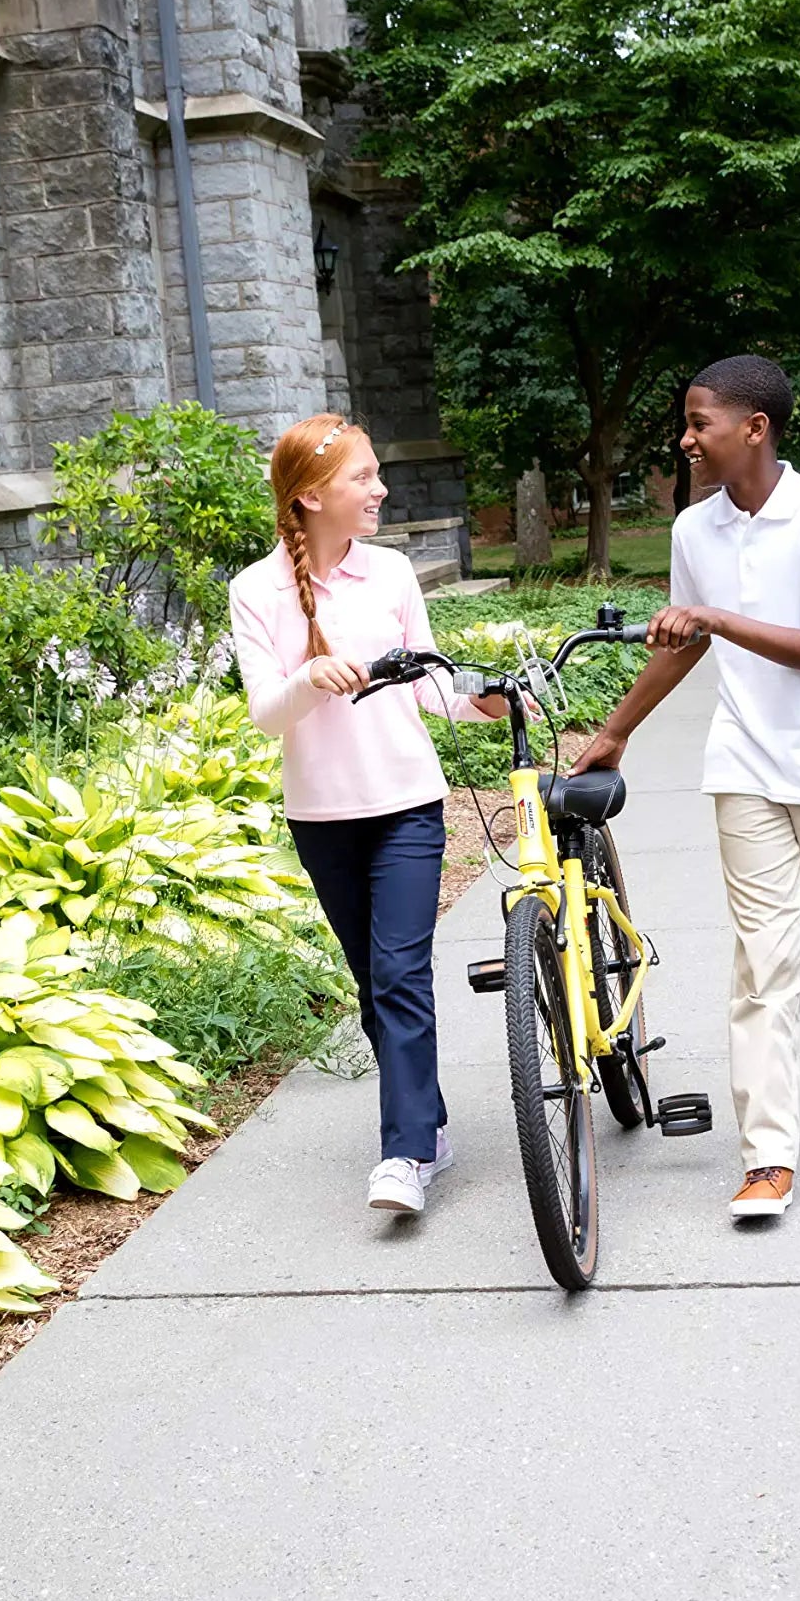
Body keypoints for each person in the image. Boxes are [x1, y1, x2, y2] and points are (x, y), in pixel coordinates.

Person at [575, 356, 800, 1221]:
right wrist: (615, 730)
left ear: (752, 428)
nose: (685, 439)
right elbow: (684, 643)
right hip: (745, 767)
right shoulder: (694, 531)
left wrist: (712, 616)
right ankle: (764, 1156)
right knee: (762, 962)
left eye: (699, 423)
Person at [229, 415, 504, 1216]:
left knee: (398, 974)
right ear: (313, 497)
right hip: (321, 817)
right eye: (363, 478)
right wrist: (313, 676)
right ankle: (431, 1127)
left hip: (407, 806)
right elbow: (264, 716)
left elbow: (429, 688)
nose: (380, 489)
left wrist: (477, 703)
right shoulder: (256, 590)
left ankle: (406, 1152)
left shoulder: (389, 575)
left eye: (377, 473)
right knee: (371, 983)